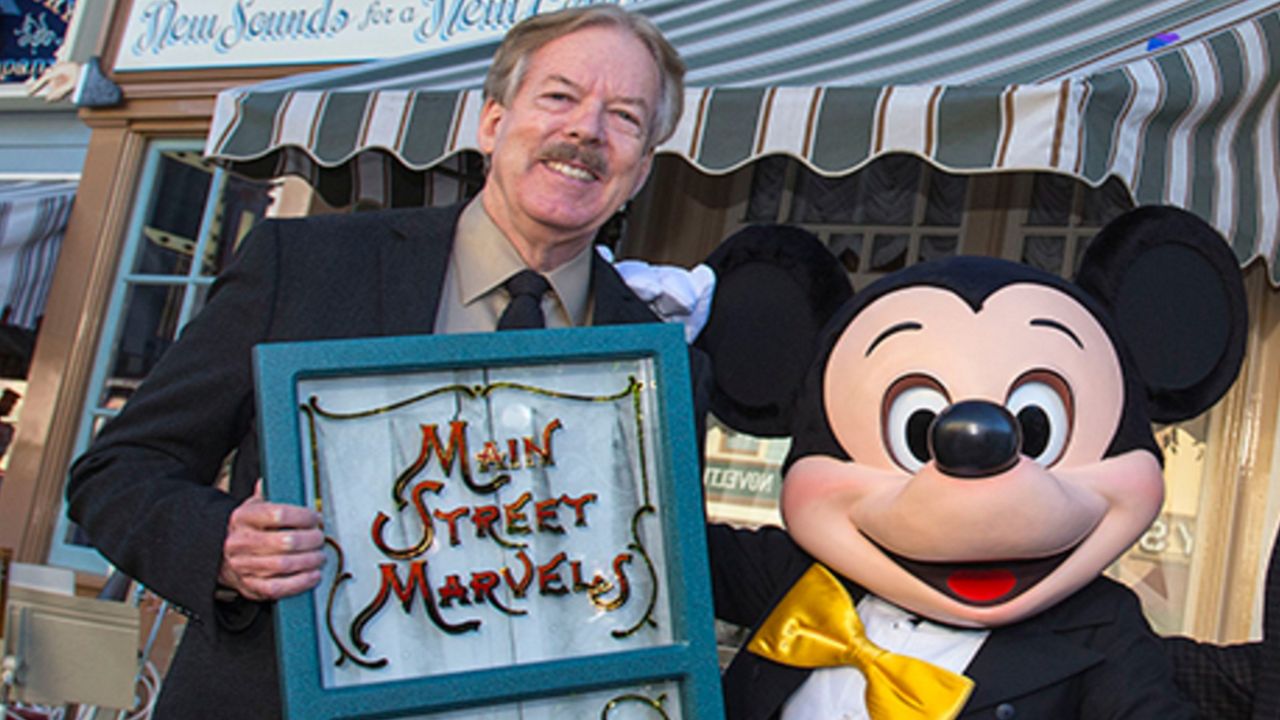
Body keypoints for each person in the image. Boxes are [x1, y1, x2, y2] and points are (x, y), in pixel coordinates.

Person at [65, 6, 702, 718]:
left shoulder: (655, 367)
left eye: (625, 116)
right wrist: (223, 548)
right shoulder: (306, 267)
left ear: (642, 167)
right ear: (492, 122)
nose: (586, 130)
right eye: (559, 96)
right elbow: (115, 473)